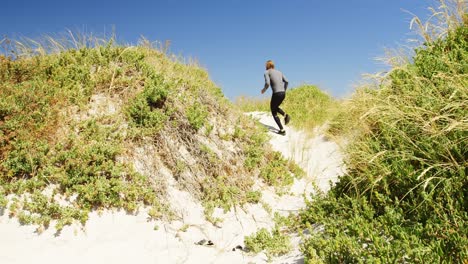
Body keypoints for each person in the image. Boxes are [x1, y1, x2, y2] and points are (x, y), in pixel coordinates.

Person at [261, 60, 290, 135]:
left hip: (276, 94)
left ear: (267, 66)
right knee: (275, 107)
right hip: (283, 93)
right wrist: (284, 90)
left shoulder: (266, 72)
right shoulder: (279, 72)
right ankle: (285, 115)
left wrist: (264, 90)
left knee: (273, 111)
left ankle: (282, 130)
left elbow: (267, 83)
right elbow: (287, 81)